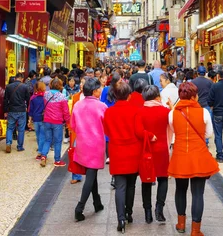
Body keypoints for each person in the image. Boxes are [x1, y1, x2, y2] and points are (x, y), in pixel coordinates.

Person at [168, 82, 219, 236]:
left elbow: (173, 129)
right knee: (198, 193)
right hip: (198, 156)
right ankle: (195, 230)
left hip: (180, 155)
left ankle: (181, 223)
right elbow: (209, 134)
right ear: (194, 96)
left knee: (180, 190)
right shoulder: (204, 112)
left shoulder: (172, 113)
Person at [104, 82, 142, 234]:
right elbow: (139, 131)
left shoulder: (109, 112)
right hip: (133, 150)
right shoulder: (135, 110)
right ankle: (129, 213)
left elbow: (106, 130)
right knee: (131, 185)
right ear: (129, 95)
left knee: (120, 186)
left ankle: (120, 219)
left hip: (117, 150)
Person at [72, 78, 108, 222]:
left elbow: (73, 125)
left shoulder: (77, 105)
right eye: (99, 88)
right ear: (94, 91)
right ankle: (79, 208)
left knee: (91, 174)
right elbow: (107, 126)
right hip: (96, 145)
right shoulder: (101, 106)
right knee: (91, 175)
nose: (101, 90)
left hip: (82, 143)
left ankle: (97, 202)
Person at [135, 85, 171, 224]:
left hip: (146, 150)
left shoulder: (140, 112)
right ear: (157, 96)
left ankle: (148, 212)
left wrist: (148, 135)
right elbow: (174, 122)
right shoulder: (165, 111)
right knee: (163, 179)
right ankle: (159, 208)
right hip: (162, 149)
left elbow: (138, 131)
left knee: (146, 180)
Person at [39, 78, 70, 167]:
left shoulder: (46, 94)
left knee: (48, 139)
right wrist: (68, 122)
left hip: (47, 120)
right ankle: (57, 160)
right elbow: (65, 111)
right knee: (57, 141)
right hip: (57, 121)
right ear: (60, 86)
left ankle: (43, 156)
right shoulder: (62, 97)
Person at [3, 73, 32, 153]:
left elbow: (5, 100)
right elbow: (28, 99)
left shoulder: (8, 87)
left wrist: (5, 111)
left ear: (15, 78)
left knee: (10, 128)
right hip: (22, 110)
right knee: (21, 129)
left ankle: (8, 144)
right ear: (22, 78)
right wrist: (27, 108)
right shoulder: (25, 87)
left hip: (11, 110)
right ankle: (19, 147)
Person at [70, 77, 87, 184]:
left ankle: (89, 172)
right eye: (81, 83)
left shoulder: (93, 98)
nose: (81, 85)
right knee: (75, 151)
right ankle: (76, 175)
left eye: (83, 83)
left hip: (88, 129)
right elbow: (72, 113)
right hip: (77, 128)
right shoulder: (76, 96)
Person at [28, 81, 48, 160]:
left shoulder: (33, 97)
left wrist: (29, 120)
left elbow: (30, 110)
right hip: (43, 118)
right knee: (43, 135)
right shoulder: (46, 97)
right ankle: (40, 151)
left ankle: (40, 150)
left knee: (38, 135)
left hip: (36, 119)